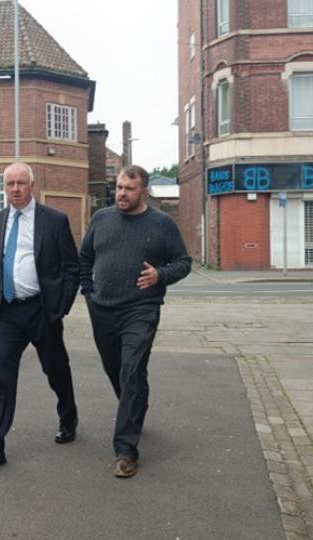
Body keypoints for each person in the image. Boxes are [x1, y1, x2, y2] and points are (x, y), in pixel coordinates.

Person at [79, 164, 192, 479]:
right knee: (117, 372)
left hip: (141, 309)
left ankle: (126, 450)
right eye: (118, 188)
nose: (121, 194)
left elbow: (183, 262)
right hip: (101, 309)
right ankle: (135, 406)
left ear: (143, 192)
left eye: (128, 189)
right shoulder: (101, 219)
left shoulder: (161, 223)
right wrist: (88, 291)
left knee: (130, 370)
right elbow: (84, 258)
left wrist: (161, 275)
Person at [0, 162, 80, 474]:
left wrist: (60, 305)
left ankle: (68, 417)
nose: (15, 189)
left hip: (42, 310)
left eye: (21, 183)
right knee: (1, 378)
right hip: (6, 311)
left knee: (56, 369)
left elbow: (71, 267)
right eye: (9, 184)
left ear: (31, 185)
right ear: (3, 188)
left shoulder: (54, 220)